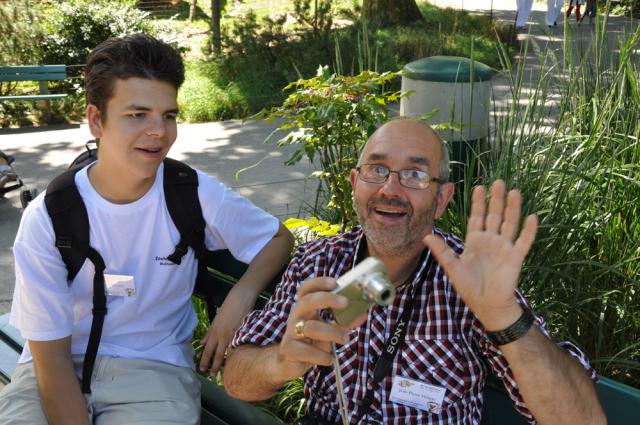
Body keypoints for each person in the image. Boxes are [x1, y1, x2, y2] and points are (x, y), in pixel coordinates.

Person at [224, 118, 606, 424]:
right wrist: (280, 362)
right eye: (378, 169)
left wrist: (503, 315)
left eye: (415, 175)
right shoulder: (319, 262)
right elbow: (238, 381)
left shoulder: (469, 277)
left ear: (441, 200)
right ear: (356, 184)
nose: (391, 189)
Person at [0, 34, 294, 425]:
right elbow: (50, 359)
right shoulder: (49, 217)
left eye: (168, 115)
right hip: (54, 368)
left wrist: (239, 298)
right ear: (95, 120)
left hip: (153, 370)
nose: (159, 131)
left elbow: (277, 238)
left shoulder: (192, 193)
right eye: (137, 115)